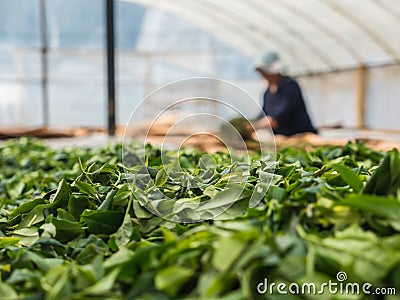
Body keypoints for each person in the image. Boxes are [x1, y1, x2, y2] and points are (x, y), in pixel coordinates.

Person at [251, 51, 317, 136]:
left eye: (263, 71)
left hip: (300, 136)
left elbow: (276, 119)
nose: (263, 75)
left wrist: (255, 126)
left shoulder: (289, 86)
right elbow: (263, 115)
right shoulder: (267, 93)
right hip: (282, 138)